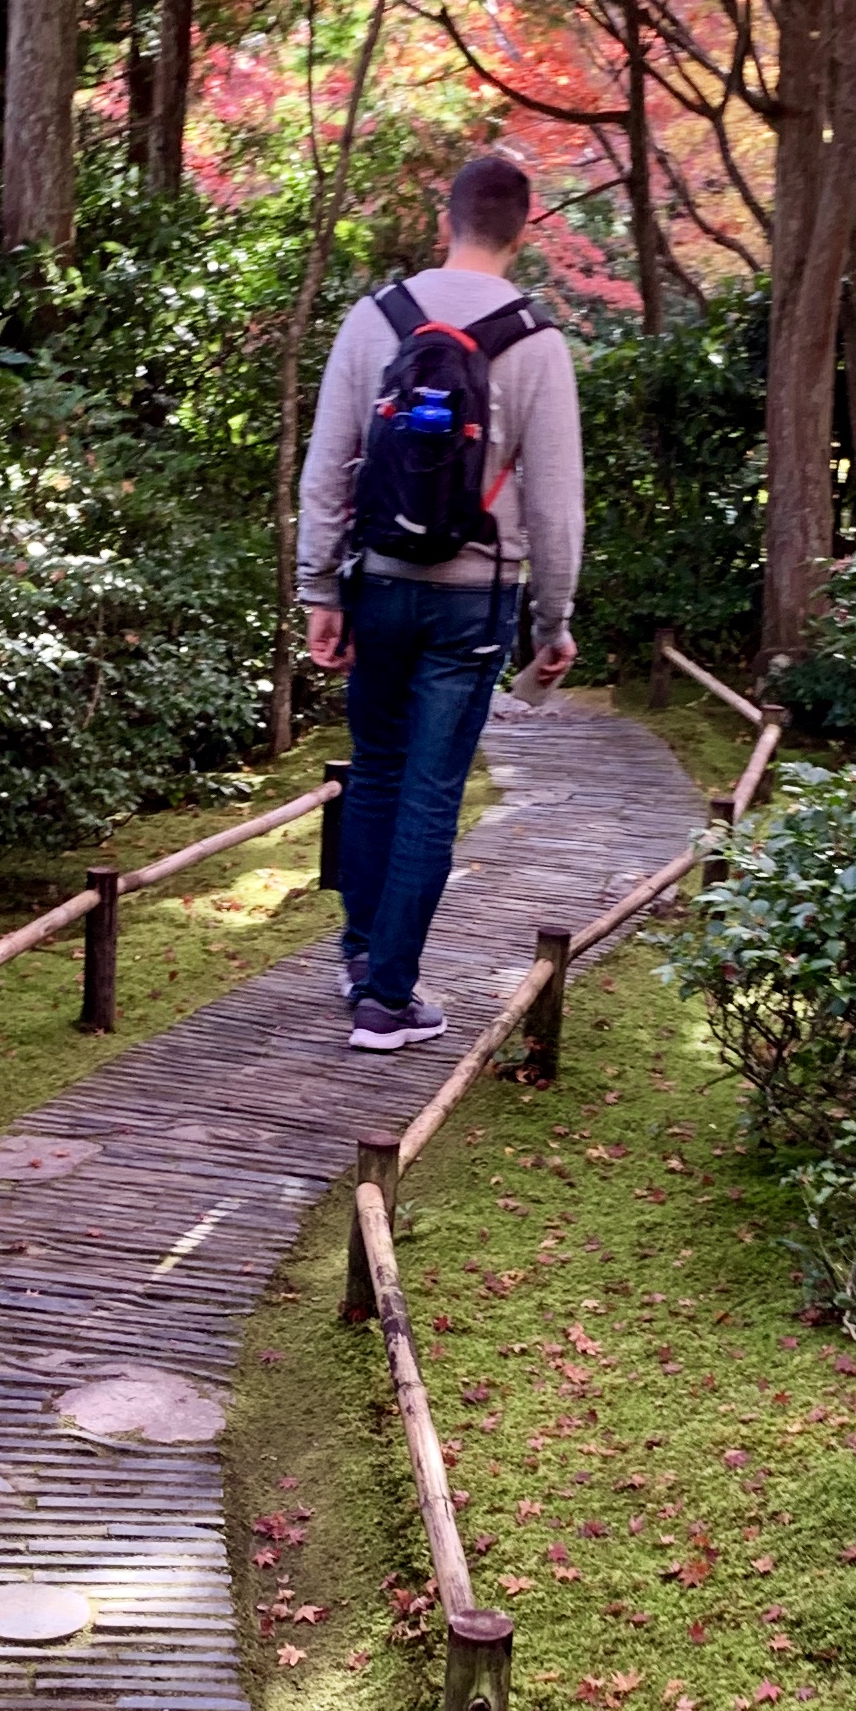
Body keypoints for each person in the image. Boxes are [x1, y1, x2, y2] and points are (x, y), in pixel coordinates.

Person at [296, 149, 584, 1051]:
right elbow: (555, 500)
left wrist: (317, 587)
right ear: (525, 230)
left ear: (443, 222)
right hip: (476, 596)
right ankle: (387, 999)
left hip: (375, 579)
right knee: (430, 790)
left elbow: (327, 465)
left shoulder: (374, 319)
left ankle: (357, 957)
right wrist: (555, 620)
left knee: (375, 771)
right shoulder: (536, 341)